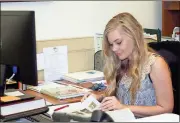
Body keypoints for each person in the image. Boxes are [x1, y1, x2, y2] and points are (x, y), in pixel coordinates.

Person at [81, 12, 174, 118]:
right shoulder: (121, 63)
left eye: (119, 42)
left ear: (134, 36)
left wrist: (123, 107)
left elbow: (166, 108)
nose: (114, 49)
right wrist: (99, 97)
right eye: (111, 44)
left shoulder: (155, 65)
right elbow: (121, 98)